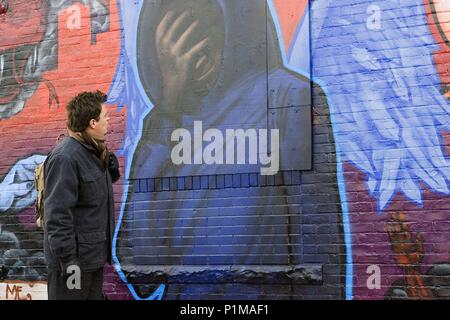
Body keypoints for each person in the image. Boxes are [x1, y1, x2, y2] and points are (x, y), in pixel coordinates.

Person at [114, 0, 345, 299]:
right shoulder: (165, 127)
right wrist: (166, 110)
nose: (190, 52)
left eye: (203, 25)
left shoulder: (289, 99)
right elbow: (140, 271)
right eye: (174, 36)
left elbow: (318, 246)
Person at [43, 90, 119, 300]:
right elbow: (57, 216)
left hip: (92, 259)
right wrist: (69, 263)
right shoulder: (66, 157)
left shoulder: (92, 152)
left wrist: (111, 170)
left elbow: (91, 196)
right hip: (72, 265)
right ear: (92, 122)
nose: (109, 121)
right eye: (106, 117)